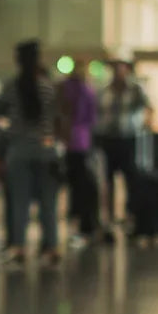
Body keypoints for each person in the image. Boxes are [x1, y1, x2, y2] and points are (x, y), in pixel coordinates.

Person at [0, 40, 61, 268]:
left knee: (19, 202)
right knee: (48, 203)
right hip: (47, 150)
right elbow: (56, 118)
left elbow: (2, 114)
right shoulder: (47, 86)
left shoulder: (10, 86)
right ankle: (51, 247)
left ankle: (18, 247)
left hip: (19, 150)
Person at [95, 60, 151, 232]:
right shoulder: (104, 90)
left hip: (128, 138)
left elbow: (148, 108)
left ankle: (130, 215)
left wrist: (143, 126)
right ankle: (109, 218)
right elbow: (98, 113)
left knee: (131, 178)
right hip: (108, 138)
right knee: (108, 179)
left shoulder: (134, 89)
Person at [59, 59, 99, 249]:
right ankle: (84, 226)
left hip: (68, 144)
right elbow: (91, 118)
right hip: (81, 143)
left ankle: (77, 224)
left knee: (75, 187)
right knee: (84, 187)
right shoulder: (86, 90)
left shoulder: (65, 89)